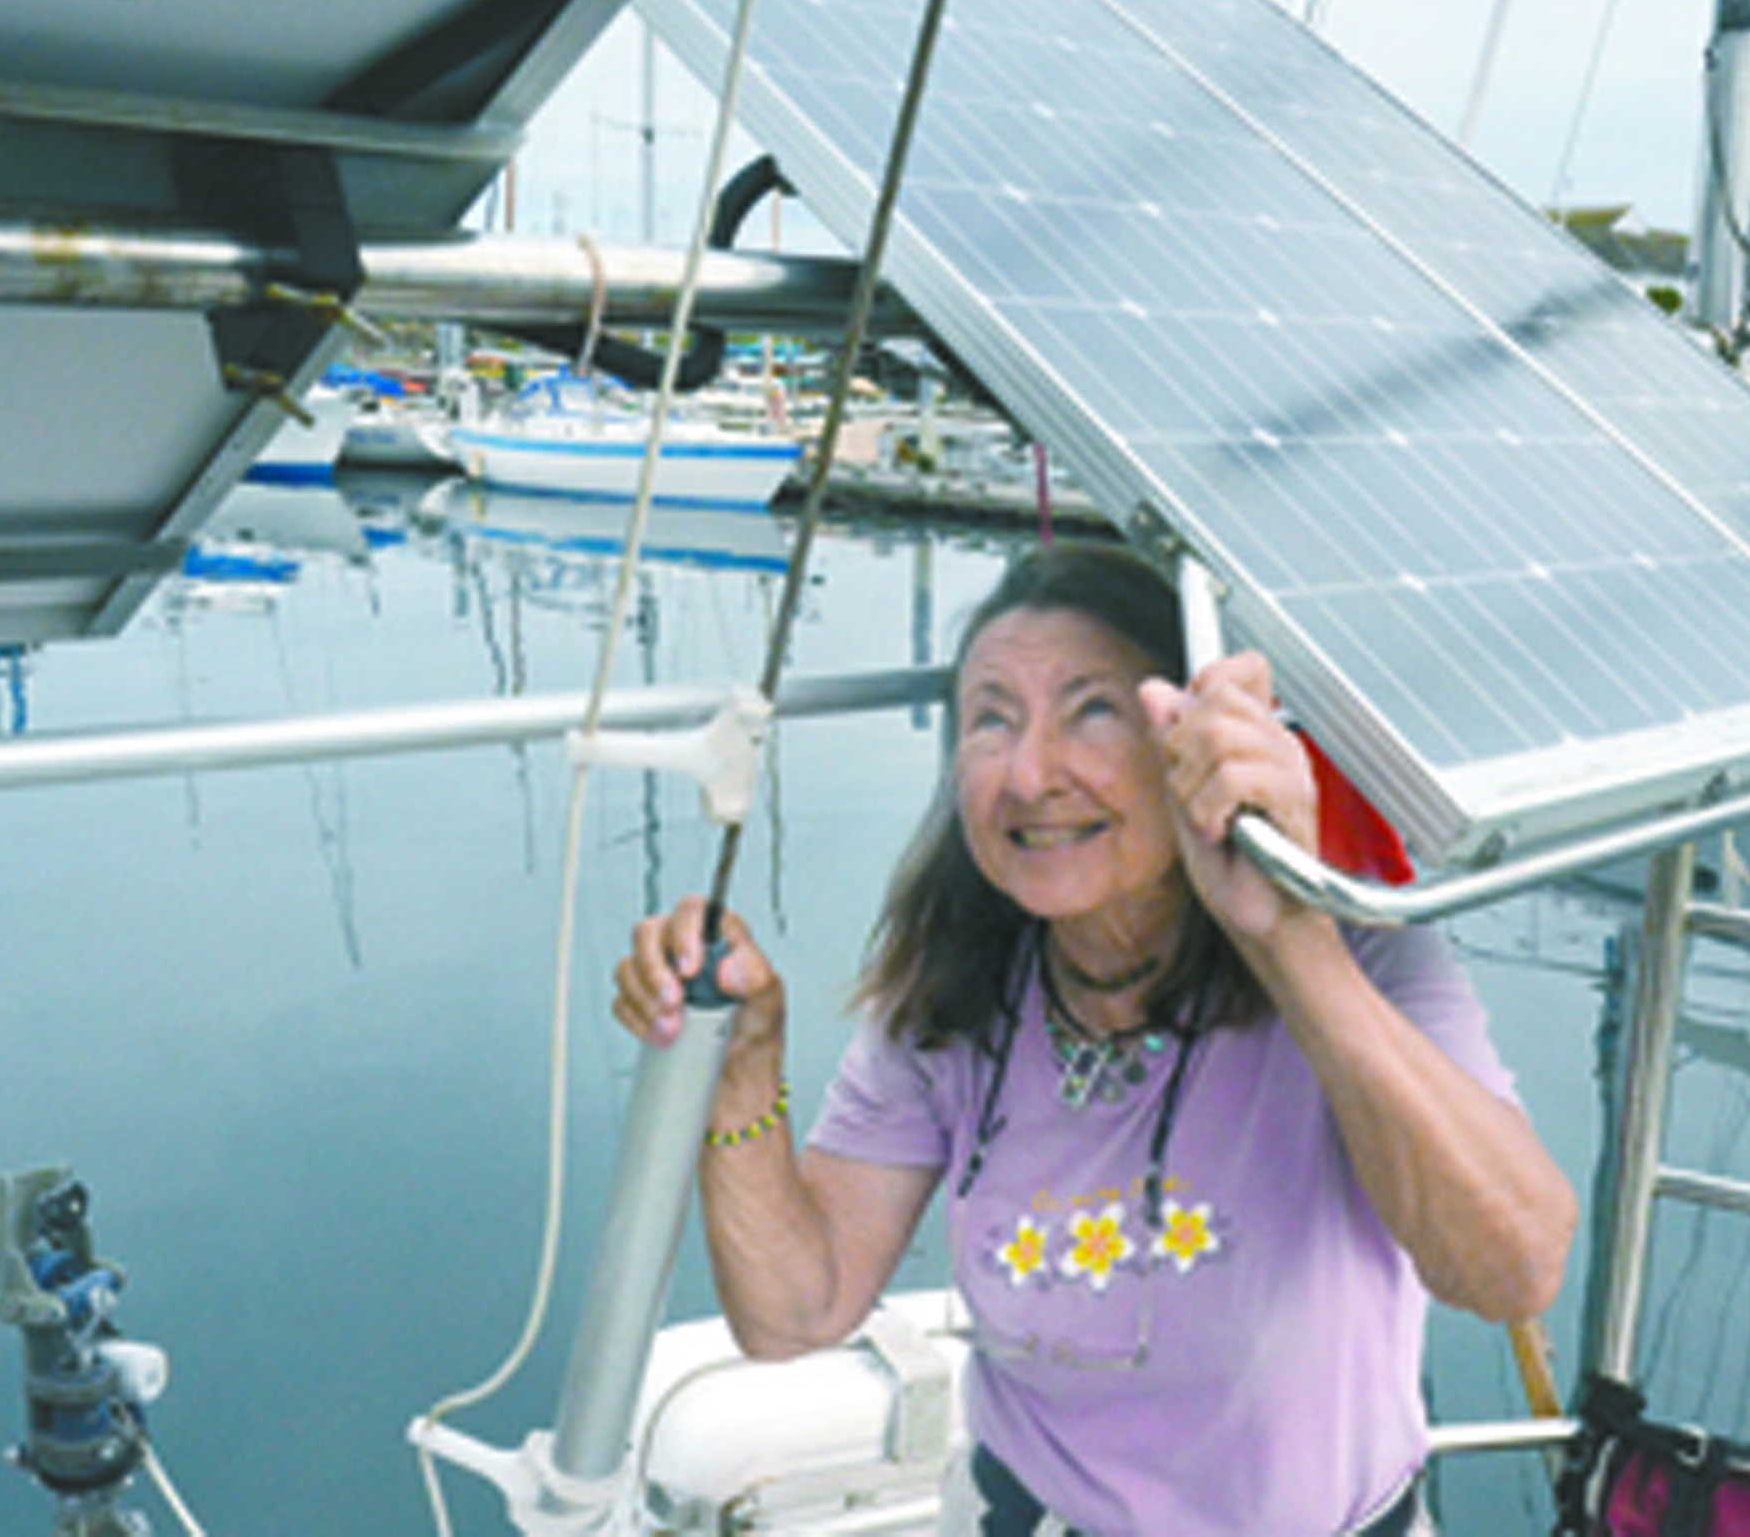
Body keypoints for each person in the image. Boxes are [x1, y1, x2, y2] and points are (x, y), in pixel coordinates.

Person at [612, 542, 1576, 1536]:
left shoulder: (1361, 957)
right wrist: (739, 1083)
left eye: (1093, 712)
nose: (1030, 774)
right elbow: (794, 1312)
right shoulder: (948, 995)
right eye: (992, 719)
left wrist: (1293, 943)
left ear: (1189, 745)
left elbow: (1511, 1269)